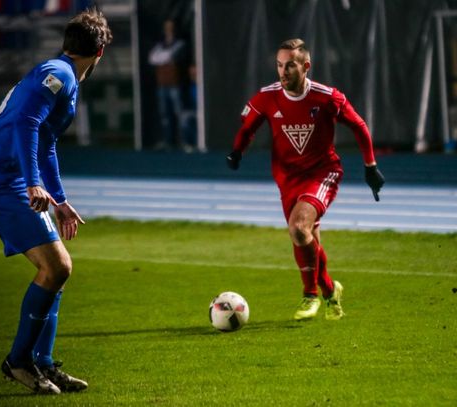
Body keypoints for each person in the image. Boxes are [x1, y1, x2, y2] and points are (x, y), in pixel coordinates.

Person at [0, 8, 112, 394]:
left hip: (8, 178)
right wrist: (32, 185)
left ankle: (42, 362)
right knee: (57, 267)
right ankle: (19, 361)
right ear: (100, 52)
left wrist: (60, 199)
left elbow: (46, 142)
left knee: (57, 271)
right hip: (0, 181)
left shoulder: (58, 72)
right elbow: (27, 123)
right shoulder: (60, 75)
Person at [226, 39, 385, 321]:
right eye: (279, 65)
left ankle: (310, 295)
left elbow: (359, 126)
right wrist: (237, 151)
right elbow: (247, 128)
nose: (283, 71)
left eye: (290, 65)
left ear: (306, 66)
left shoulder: (327, 97)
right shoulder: (267, 97)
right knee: (305, 237)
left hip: (322, 173)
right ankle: (330, 291)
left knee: (298, 228)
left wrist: (370, 166)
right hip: (287, 179)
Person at [148, 19, 192, 151]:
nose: (169, 30)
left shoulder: (180, 44)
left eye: (171, 28)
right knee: (165, 115)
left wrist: (163, 58)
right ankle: (168, 141)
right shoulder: (160, 45)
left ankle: (185, 142)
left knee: (180, 114)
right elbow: (152, 59)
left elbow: (170, 57)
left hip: (175, 85)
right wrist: (163, 58)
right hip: (162, 85)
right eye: (167, 28)